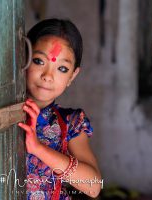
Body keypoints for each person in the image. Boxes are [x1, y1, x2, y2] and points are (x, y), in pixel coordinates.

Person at [18, 18, 102, 200]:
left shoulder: (70, 123)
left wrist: (38, 148)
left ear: (72, 76)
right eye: (39, 61)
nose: (48, 76)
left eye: (62, 68)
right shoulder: (4, 113)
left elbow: (94, 187)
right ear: (23, 59)